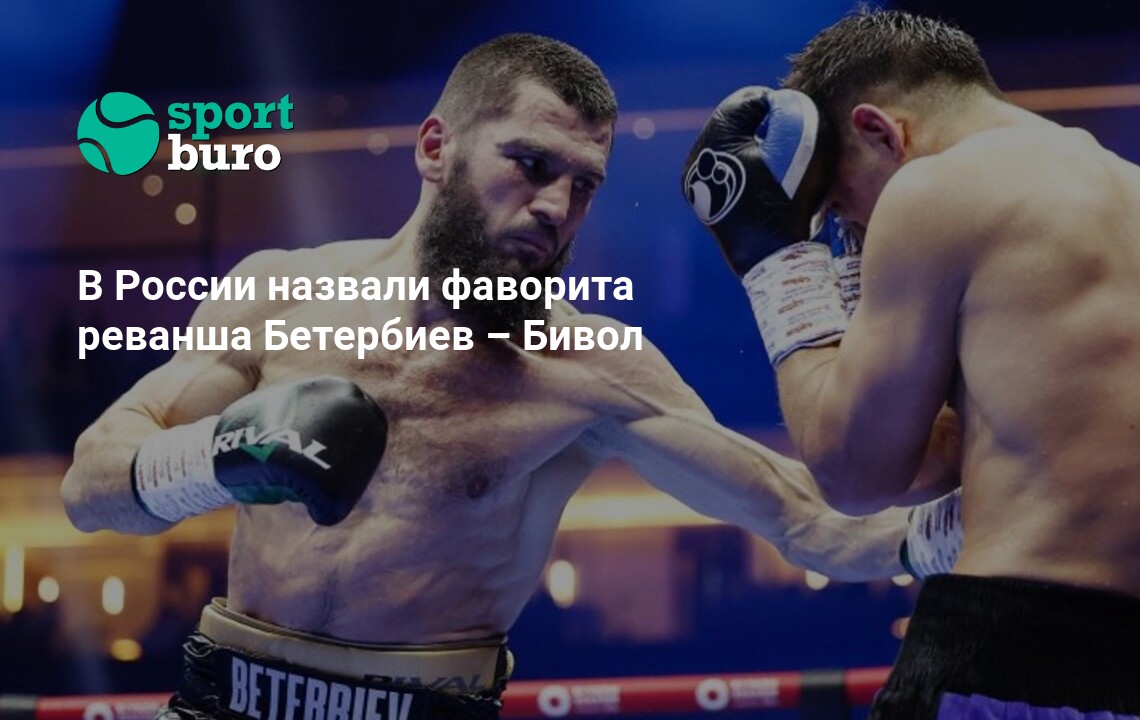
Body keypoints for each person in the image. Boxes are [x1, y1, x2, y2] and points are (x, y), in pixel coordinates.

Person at [61, 34, 952, 720]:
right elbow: (90, 488)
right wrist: (218, 456)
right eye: (530, 165)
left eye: (584, 185)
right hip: (225, 700)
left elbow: (810, 523)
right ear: (435, 147)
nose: (557, 207)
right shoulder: (277, 296)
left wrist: (1003, 523)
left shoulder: (591, 369)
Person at [682, 8, 1140, 720]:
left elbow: (854, 474)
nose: (853, 233)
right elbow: (930, 461)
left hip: (1004, 668)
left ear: (879, 131)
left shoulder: (934, 190)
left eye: (841, 208)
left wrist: (776, 267)